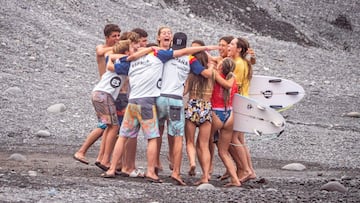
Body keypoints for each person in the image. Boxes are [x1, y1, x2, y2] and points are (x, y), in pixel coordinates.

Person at [101, 42, 220, 183]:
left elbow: (110, 61)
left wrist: (132, 55)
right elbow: (184, 52)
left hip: (132, 103)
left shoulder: (130, 62)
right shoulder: (157, 56)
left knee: (123, 136)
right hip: (150, 103)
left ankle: (112, 168)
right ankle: (154, 171)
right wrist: (205, 49)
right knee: (153, 137)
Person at [156, 32, 218, 186]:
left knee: (156, 134)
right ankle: (177, 172)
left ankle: (153, 167)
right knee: (181, 138)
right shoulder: (190, 60)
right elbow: (206, 74)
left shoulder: (167, 54)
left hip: (163, 98)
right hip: (180, 102)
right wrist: (211, 62)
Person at [73, 24, 121, 165]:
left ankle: (101, 157)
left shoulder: (113, 51)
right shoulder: (103, 49)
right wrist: (123, 48)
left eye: (119, 36)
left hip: (108, 91)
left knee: (107, 126)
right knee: (104, 126)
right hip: (104, 90)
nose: (117, 39)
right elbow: (100, 52)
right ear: (107, 37)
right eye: (114, 36)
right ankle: (82, 151)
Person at [227, 37, 256, 183]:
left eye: (232, 44)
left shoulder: (237, 64)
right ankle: (247, 170)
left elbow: (233, 86)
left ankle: (245, 169)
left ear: (239, 49)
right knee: (239, 138)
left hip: (238, 103)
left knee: (232, 138)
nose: (228, 46)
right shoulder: (244, 62)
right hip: (244, 102)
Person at [209, 57, 240, 187]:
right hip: (229, 114)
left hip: (216, 112)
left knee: (204, 142)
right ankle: (235, 179)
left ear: (221, 67)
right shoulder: (233, 79)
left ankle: (206, 172)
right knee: (223, 151)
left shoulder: (216, 76)